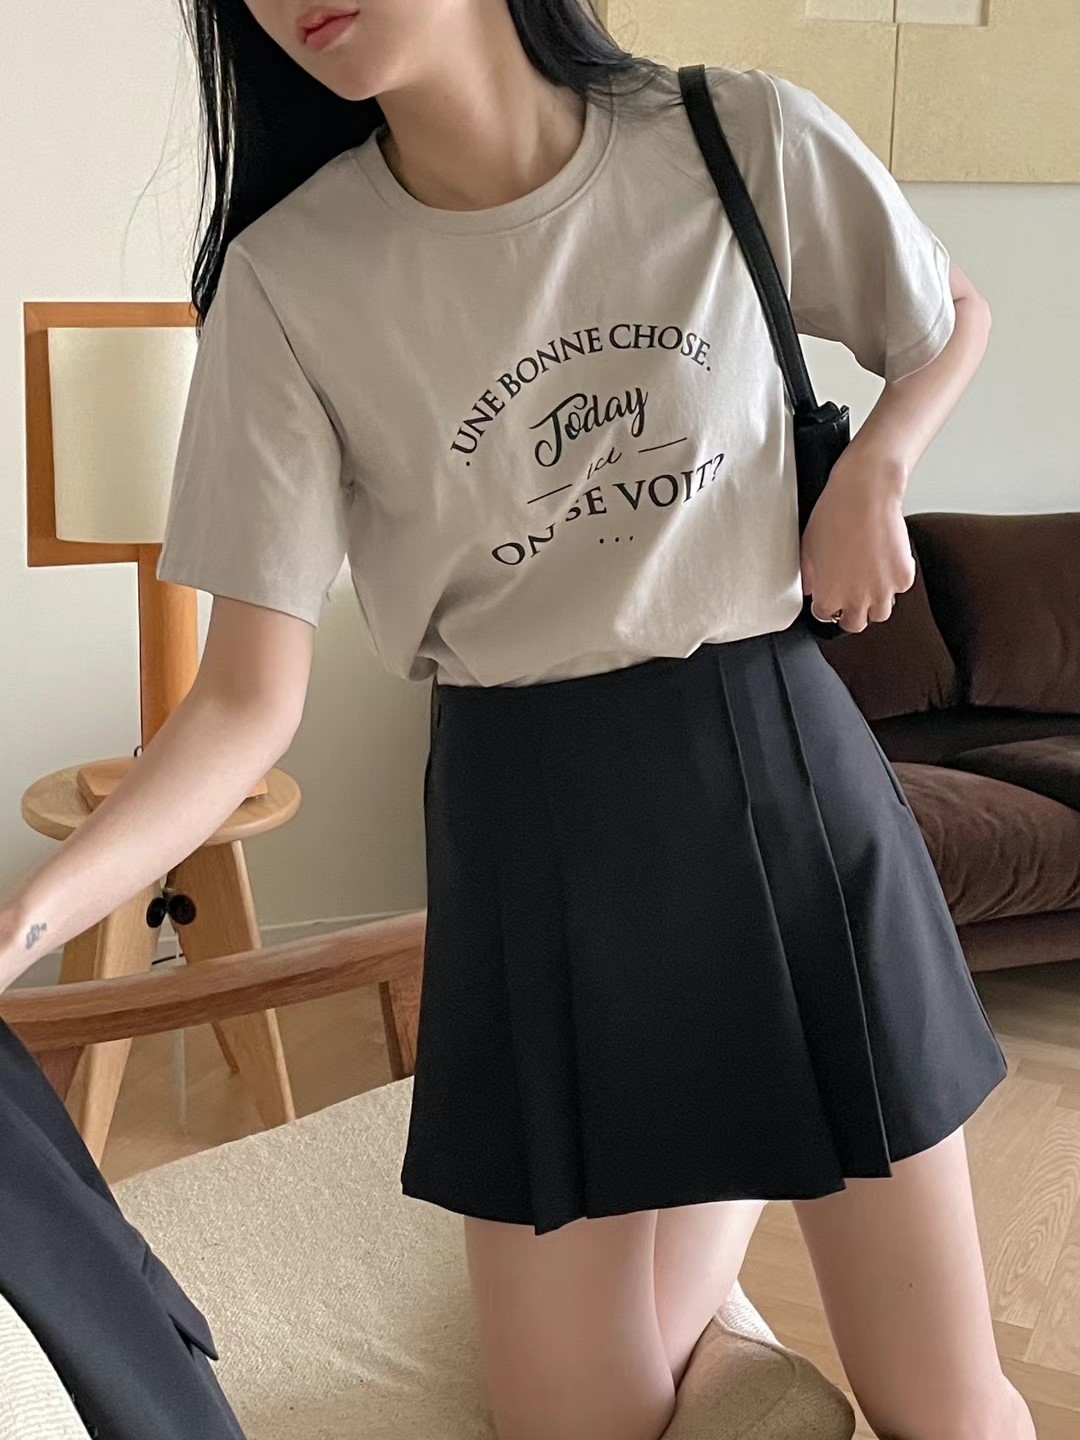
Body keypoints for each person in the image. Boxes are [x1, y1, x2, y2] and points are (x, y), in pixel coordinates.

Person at [0, 3, 1033, 1439]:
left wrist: (878, 467)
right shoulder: (291, 280)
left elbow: (948, 315)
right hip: (531, 841)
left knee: (942, 1403)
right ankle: (729, 1171)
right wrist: (24, 922)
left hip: (782, 790)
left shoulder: (735, 138)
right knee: (571, 1419)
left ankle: (732, 1156)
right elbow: (241, 705)